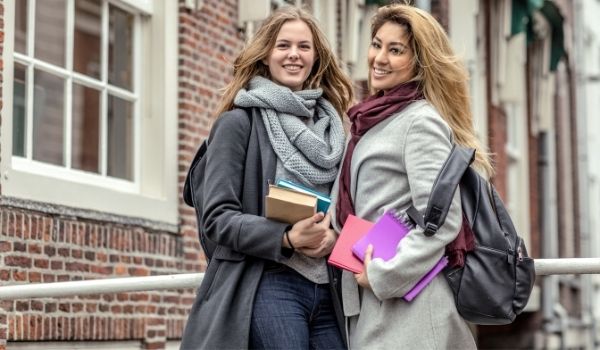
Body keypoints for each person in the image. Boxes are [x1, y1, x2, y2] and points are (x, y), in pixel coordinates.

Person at [180, 6, 354, 350]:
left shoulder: (336, 132)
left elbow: (345, 211)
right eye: (283, 46)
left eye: (304, 47)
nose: (294, 55)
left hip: (330, 289)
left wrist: (335, 239)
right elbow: (217, 218)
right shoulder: (237, 124)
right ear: (265, 57)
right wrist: (287, 237)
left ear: (316, 58)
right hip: (270, 284)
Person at [329, 3, 494, 349]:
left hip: (412, 309)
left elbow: (442, 223)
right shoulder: (374, 120)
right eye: (377, 44)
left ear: (419, 62)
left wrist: (382, 276)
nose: (379, 58)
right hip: (376, 303)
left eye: (396, 50)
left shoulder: (420, 122)